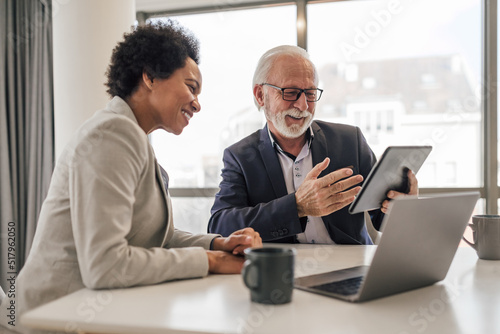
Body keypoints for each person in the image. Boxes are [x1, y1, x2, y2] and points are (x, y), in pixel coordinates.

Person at [4, 21, 261, 334]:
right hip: (48, 318)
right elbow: (105, 266)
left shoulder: (133, 136)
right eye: (191, 87)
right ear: (150, 77)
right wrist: (209, 261)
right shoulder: (113, 134)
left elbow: (155, 237)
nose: (197, 102)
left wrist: (219, 243)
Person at [207, 45, 417, 244]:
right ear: (261, 95)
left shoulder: (350, 140)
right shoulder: (240, 156)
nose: (303, 105)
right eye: (290, 92)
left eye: (310, 93)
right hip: (283, 268)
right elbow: (220, 226)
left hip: (350, 265)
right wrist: (297, 206)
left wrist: (403, 206)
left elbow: (382, 217)